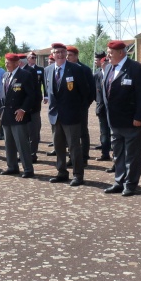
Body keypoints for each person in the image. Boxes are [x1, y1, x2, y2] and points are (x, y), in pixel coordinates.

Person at [102, 40, 141, 196]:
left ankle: (130, 184)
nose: (107, 55)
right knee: (118, 154)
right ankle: (119, 181)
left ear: (121, 53)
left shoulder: (136, 69)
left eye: (110, 52)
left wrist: (139, 116)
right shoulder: (108, 68)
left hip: (132, 121)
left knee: (133, 156)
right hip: (115, 122)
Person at [45, 43, 91, 186]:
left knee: (74, 146)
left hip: (72, 116)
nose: (59, 54)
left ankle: (78, 175)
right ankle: (62, 172)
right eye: (56, 52)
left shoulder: (76, 70)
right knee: (58, 146)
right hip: (55, 116)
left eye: (62, 52)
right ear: (52, 54)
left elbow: (86, 94)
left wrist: (79, 110)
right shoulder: (48, 70)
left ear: (66, 53)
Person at [0, 53, 36, 178]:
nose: (6, 64)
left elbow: (31, 95)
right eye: (5, 62)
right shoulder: (5, 75)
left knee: (22, 143)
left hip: (18, 114)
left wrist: (24, 109)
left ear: (16, 63)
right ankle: (12, 167)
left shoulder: (25, 75)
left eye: (8, 62)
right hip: (6, 114)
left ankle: (28, 169)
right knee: (8, 143)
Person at [67, 45, 96, 166]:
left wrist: (85, 104)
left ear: (76, 56)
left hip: (81, 107)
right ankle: (72, 157)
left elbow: (91, 90)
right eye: (67, 55)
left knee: (82, 131)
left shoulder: (84, 69)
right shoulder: (65, 68)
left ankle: (84, 157)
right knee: (69, 133)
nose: (68, 57)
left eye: (70, 55)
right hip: (67, 107)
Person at [23, 51, 45, 163]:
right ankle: (24, 153)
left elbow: (42, 84)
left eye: (35, 57)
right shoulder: (22, 70)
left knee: (34, 129)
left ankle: (32, 154)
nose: (34, 59)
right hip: (23, 105)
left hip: (35, 104)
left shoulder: (38, 70)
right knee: (24, 131)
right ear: (27, 58)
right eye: (32, 57)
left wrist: (45, 95)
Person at [93, 54, 111, 161]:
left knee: (113, 133)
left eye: (107, 63)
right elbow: (93, 91)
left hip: (113, 110)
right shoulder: (96, 75)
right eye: (104, 63)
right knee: (104, 132)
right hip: (101, 108)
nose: (105, 65)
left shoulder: (113, 74)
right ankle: (105, 153)